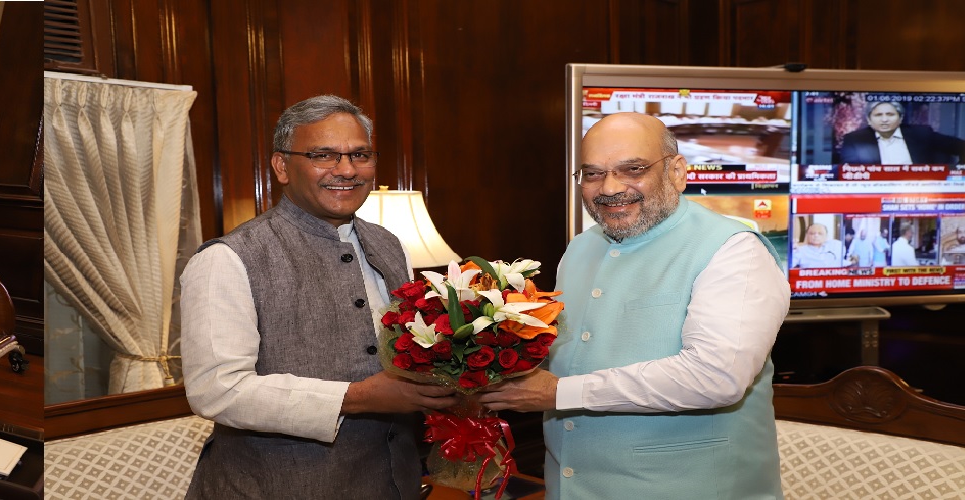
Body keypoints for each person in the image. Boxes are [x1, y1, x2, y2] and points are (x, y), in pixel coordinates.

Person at [479, 112, 789, 499]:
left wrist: (561, 393)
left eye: (632, 169)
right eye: (592, 174)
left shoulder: (734, 249)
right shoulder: (580, 247)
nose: (609, 188)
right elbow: (564, 355)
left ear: (677, 171)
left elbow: (717, 377)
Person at [178, 95, 458, 499]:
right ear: (281, 167)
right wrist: (357, 397)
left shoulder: (388, 244)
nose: (346, 170)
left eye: (359, 155)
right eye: (323, 155)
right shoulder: (229, 258)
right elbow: (218, 391)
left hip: (393, 482)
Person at [835, 101, 965, 165]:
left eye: (890, 114)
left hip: (920, 194)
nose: (884, 119)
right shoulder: (855, 140)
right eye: (878, 115)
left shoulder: (922, 134)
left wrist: (955, 173)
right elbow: (848, 172)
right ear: (869, 120)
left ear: (900, 119)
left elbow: (962, 147)